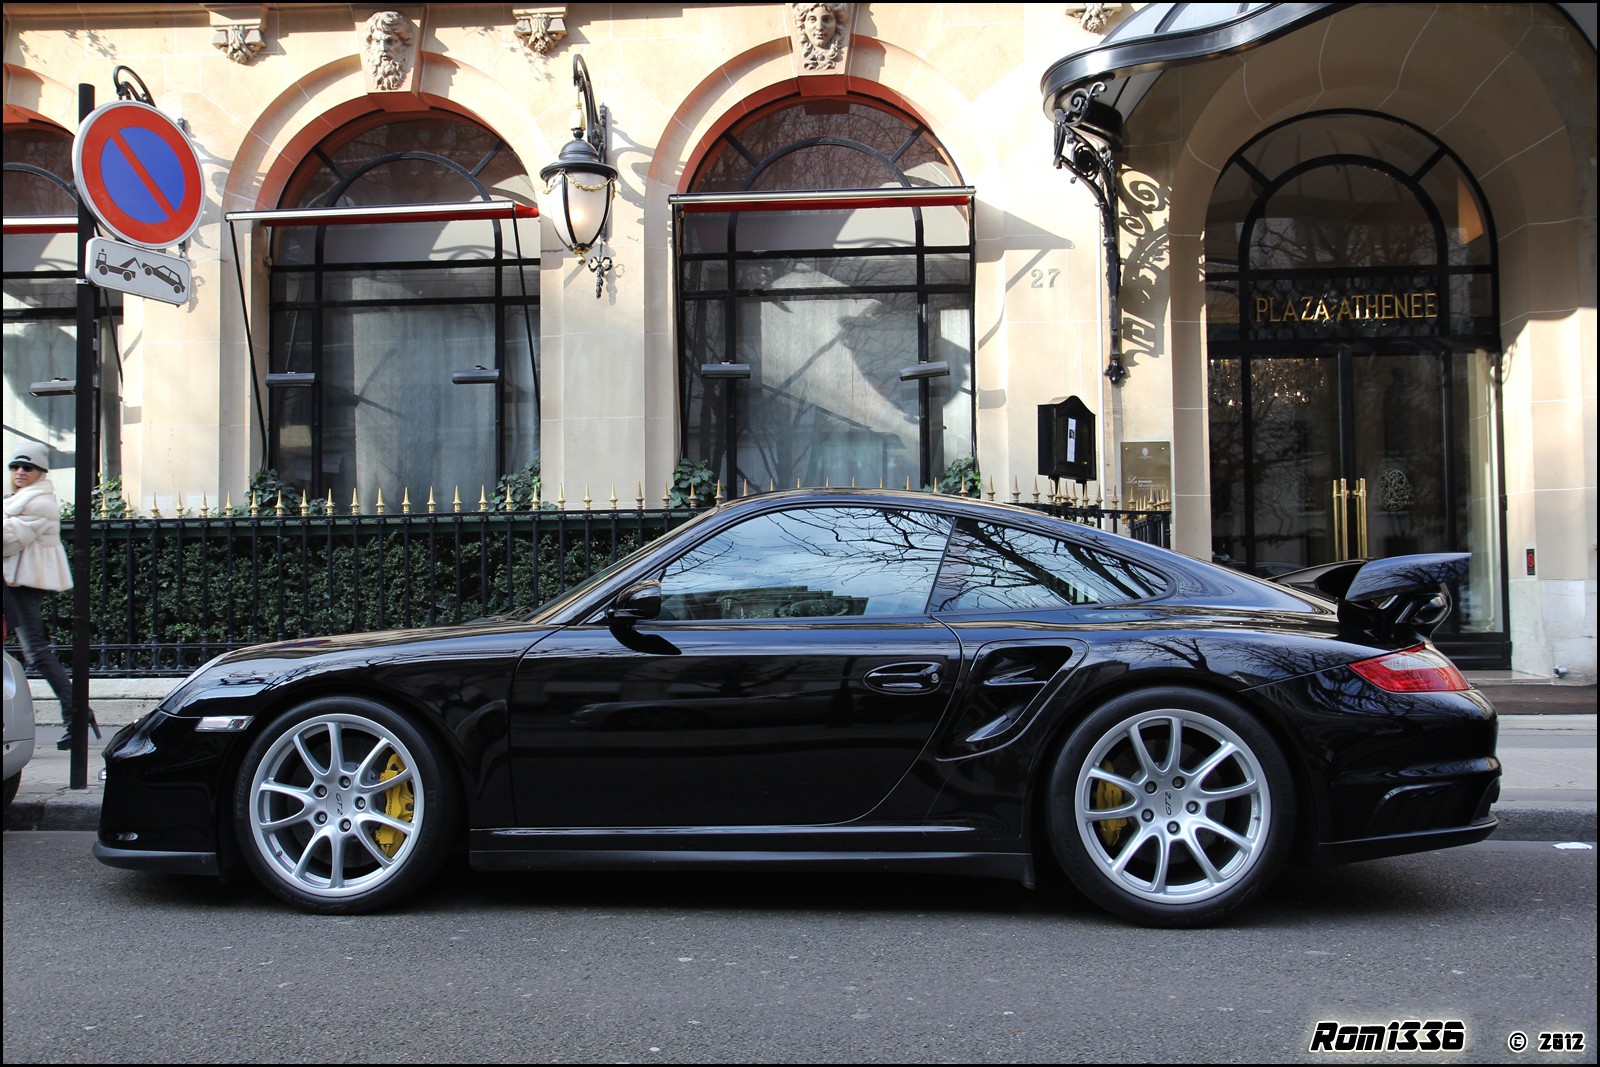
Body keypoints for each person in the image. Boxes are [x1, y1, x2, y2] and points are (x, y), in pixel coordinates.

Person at [3, 444, 95, 750]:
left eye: (26, 468)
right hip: (12, 585)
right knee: (33, 654)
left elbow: (8, 541)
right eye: (15, 467)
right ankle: (76, 715)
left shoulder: (38, 503)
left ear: (40, 473)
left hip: (22, 586)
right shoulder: (17, 501)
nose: (19, 472)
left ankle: (76, 715)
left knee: (37, 654)